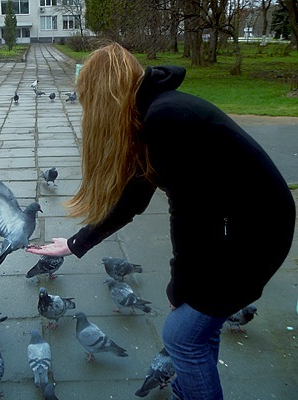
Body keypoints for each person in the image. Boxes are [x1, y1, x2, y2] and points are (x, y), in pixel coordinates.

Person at [26, 42, 295, 400]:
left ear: (104, 97)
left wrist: (181, 286)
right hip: (243, 225)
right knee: (199, 331)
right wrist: (76, 244)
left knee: (180, 336)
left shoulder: (166, 118)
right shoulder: (152, 115)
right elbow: (133, 199)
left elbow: (192, 214)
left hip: (258, 232)